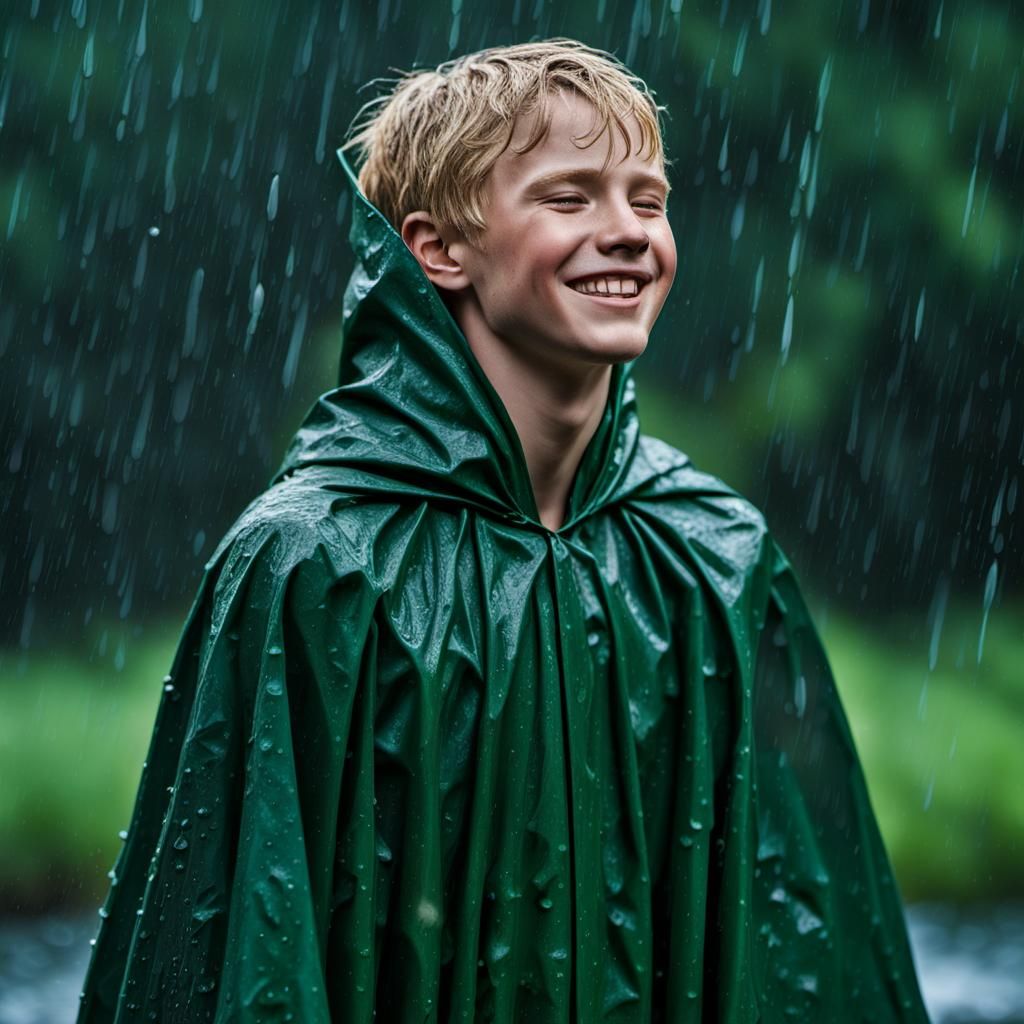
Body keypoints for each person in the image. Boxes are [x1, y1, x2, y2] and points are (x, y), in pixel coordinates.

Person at [77, 38, 930, 1023]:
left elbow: (810, 956)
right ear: (437, 246)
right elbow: (236, 955)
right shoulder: (313, 565)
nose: (626, 233)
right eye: (568, 199)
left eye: (646, 201)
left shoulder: (716, 561)